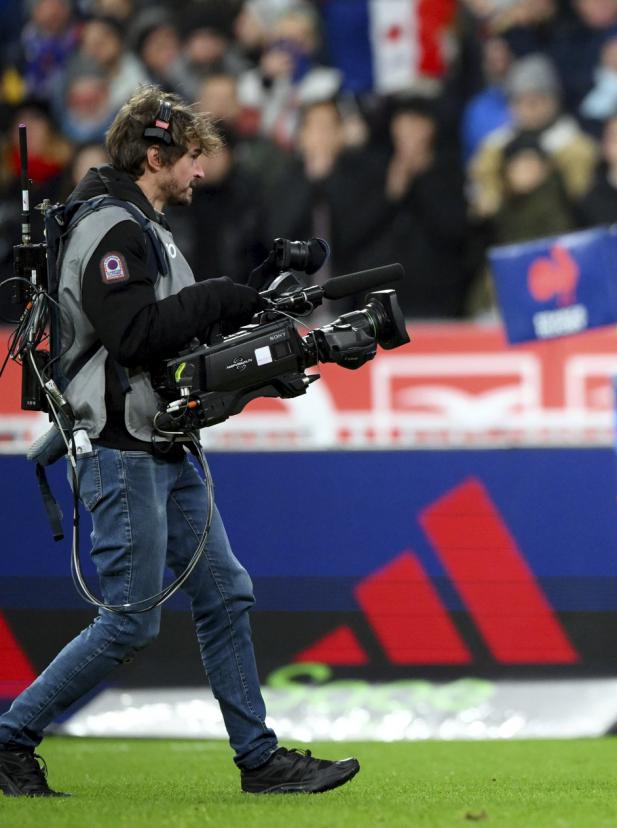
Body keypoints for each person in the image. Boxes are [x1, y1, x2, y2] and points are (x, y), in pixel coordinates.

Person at [0, 85, 359, 797]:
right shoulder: (112, 226)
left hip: (161, 441)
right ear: (156, 155)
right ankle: (10, 737)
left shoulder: (142, 226)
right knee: (130, 623)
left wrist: (267, 367)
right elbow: (134, 337)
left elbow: (177, 352)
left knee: (225, 594)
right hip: (120, 448)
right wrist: (225, 293)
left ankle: (259, 761)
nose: (202, 172)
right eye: (193, 156)